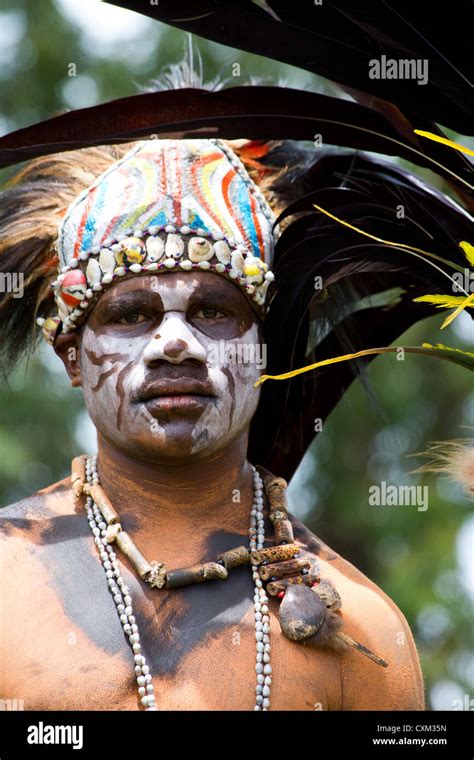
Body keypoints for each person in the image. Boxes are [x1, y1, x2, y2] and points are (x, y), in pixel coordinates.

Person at [0, 136, 427, 711]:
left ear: (263, 350)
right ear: (71, 355)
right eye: (132, 314)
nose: (175, 344)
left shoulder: (366, 632)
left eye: (212, 311)